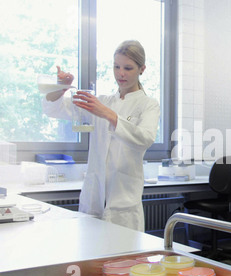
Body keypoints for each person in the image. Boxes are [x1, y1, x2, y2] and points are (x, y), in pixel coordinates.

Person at [42, 40, 160, 232]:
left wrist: (108, 114)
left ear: (142, 69)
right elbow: (55, 109)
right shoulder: (102, 102)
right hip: (93, 200)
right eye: (116, 66)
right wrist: (60, 88)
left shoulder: (148, 105)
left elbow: (145, 138)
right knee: (91, 259)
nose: (120, 73)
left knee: (124, 260)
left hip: (124, 205)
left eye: (128, 68)